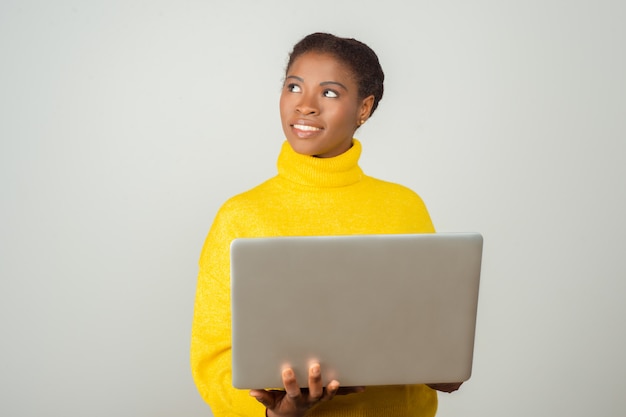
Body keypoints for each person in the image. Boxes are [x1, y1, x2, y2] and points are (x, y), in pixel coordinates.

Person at [190, 32, 462, 417]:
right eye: (293, 87)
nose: (305, 106)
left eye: (329, 93)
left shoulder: (404, 206)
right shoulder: (240, 215)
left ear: (363, 108)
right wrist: (273, 413)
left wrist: (443, 367)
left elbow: (429, 333)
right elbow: (212, 358)